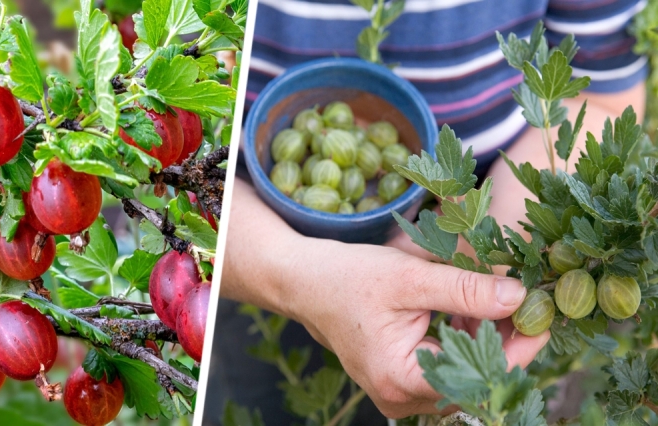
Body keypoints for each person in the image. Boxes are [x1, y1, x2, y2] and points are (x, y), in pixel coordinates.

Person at [203, 0, 647, 423]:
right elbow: (197, 169)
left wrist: (499, 234)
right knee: (266, 404)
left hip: (486, 232)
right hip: (254, 252)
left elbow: (601, 91)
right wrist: (288, 273)